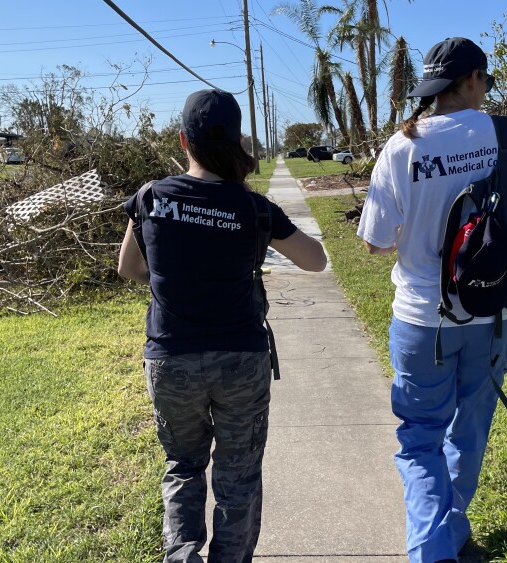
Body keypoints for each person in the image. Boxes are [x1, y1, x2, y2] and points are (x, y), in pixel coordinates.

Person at [117, 89, 327, 563]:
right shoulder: (252, 207)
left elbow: (127, 268)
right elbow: (316, 261)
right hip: (241, 362)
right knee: (238, 476)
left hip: (171, 358)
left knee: (183, 466)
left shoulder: (150, 198)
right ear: (237, 141)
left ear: (182, 139)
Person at [357, 37, 507, 563]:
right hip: (495, 314)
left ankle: (433, 550)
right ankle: (451, 531)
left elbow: (376, 242)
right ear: (474, 79)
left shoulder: (402, 146)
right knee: (471, 428)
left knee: (420, 439)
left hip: (422, 320)